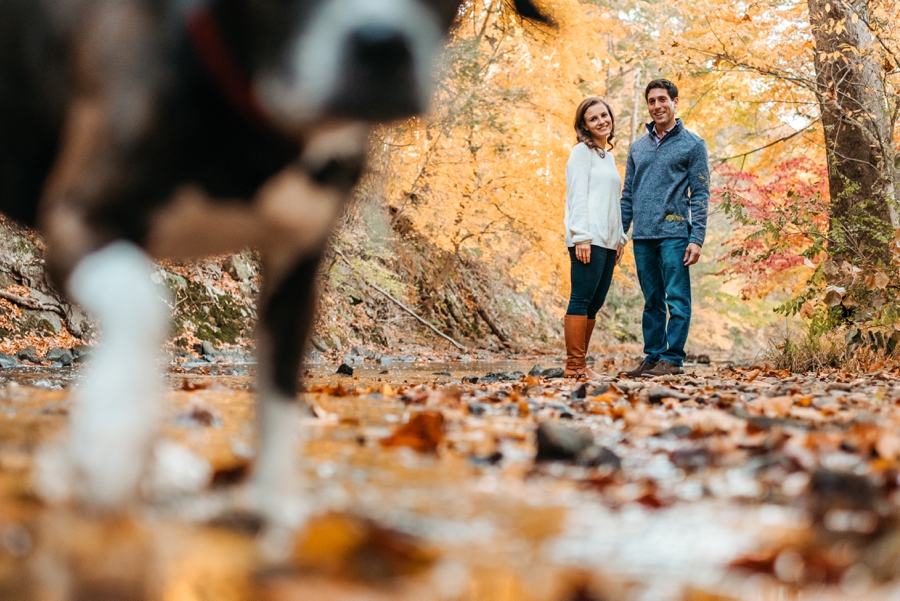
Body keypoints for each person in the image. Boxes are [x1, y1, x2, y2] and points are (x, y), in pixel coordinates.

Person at [620, 79, 709, 378]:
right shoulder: (638, 148)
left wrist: (696, 237)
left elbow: (701, 193)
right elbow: (628, 195)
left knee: (677, 298)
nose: (657, 106)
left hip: (674, 233)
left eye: (662, 99)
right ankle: (653, 357)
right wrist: (622, 233)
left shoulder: (693, 145)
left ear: (675, 102)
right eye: (651, 101)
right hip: (642, 236)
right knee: (652, 301)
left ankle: (673, 359)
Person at [563, 97, 626, 378]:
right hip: (588, 238)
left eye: (604, 115)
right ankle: (574, 366)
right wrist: (581, 236)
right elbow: (576, 196)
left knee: (595, 303)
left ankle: (582, 365)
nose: (602, 121)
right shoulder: (581, 152)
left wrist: (621, 237)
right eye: (593, 118)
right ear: (585, 126)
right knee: (581, 298)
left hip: (608, 240)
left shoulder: (608, 157)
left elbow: (612, 200)